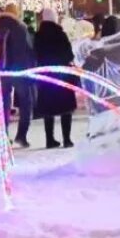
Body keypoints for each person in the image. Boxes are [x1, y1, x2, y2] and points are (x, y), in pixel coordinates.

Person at [33, 8, 77, 148]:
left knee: (48, 109)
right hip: (62, 74)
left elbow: (35, 55)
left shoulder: (38, 36)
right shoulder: (60, 34)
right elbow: (69, 55)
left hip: (46, 75)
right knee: (66, 108)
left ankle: (49, 139)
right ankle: (67, 139)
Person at [0, 3, 35, 147]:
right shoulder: (20, 28)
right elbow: (27, 50)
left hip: (1, 71)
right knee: (26, 103)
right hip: (19, 70)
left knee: (3, 103)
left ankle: (3, 136)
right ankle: (21, 136)